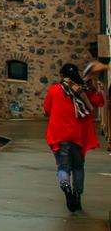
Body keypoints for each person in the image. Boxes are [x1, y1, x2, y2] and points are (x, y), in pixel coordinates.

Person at [43, 63, 106, 212]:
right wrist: (93, 89)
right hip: (78, 137)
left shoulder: (54, 90)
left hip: (59, 136)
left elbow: (47, 110)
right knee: (78, 167)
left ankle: (66, 188)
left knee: (63, 167)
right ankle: (77, 195)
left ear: (62, 75)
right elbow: (99, 102)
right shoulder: (84, 91)